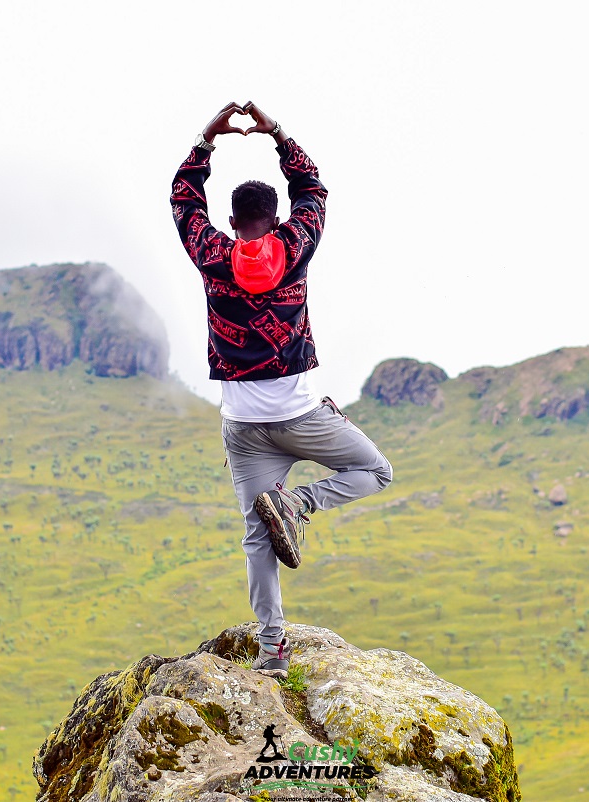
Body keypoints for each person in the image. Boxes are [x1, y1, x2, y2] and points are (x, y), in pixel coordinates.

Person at [171, 102, 392, 678]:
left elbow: (182, 197)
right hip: (301, 416)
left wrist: (207, 138)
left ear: (231, 219)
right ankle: (297, 505)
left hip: (244, 429)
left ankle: (272, 652)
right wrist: (278, 133)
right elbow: (312, 188)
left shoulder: (212, 255)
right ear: (274, 216)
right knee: (377, 471)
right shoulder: (294, 249)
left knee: (256, 539)